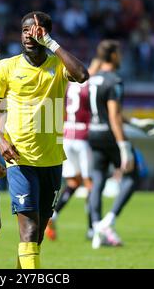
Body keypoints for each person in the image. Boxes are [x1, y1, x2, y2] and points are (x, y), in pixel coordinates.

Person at [0, 11, 89, 268]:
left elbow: (82, 75)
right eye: (25, 30)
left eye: (37, 31)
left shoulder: (57, 66)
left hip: (52, 160)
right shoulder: (6, 67)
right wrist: (0, 141)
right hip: (19, 160)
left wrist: (52, 44)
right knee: (29, 229)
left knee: (37, 235)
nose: (30, 35)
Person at [87, 40, 154, 249]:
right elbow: (114, 116)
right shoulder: (115, 80)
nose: (122, 57)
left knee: (97, 180)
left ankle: (95, 226)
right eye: (120, 53)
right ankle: (108, 221)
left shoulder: (93, 79)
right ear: (114, 56)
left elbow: (105, 111)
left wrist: (135, 122)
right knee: (134, 174)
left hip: (93, 133)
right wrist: (124, 146)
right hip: (110, 135)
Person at [45, 80, 94, 241]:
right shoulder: (91, 84)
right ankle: (92, 229)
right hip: (83, 136)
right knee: (90, 184)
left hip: (67, 135)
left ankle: (54, 215)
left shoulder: (67, 84)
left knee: (73, 183)